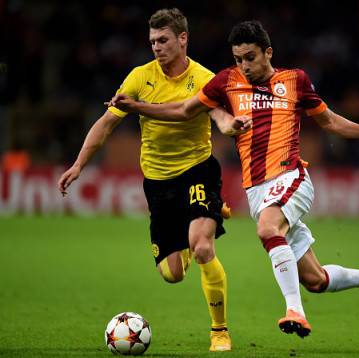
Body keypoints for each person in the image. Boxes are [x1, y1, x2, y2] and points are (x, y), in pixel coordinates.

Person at [108, 20, 359, 338]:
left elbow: (329, 122)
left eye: (250, 57)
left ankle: (295, 311)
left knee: (267, 229)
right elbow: (182, 110)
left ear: (267, 52)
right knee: (315, 280)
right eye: (238, 59)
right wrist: (136, 107)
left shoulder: (295, 80)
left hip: (290, 177)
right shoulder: (226, 82)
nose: (244, 65)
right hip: (257, 191)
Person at [58, 9, 251, 351]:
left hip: (197, 170)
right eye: (152, 42)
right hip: (158, 183)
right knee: (172, 274)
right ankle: (208, 213)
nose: (156, 47)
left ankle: (219, 331)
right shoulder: (139, 77)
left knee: (204, 247)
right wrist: (79, 164)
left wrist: (225, 123)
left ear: (182, 39)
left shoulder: (203, 78)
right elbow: (106, 124)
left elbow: (217, 112)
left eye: (163, 40)